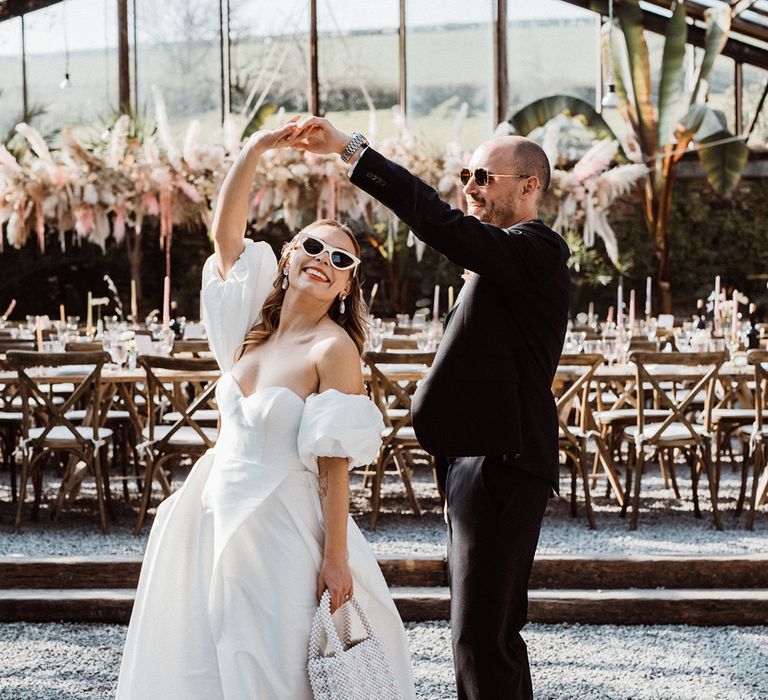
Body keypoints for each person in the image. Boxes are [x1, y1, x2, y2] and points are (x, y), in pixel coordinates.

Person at [116, 121, 416, 699]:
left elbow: (333, 464)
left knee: (269, 660)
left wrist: (335, 559)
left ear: (348, 285)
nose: (322, 259)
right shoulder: (252, 328)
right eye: (310, 246)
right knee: (205, 659)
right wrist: (256, 149)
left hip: (280, 522)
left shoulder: (334, 349)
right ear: (286, 258)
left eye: (340, 259)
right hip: (211, 509)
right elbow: (226, 236)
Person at [289, 119, 570, 700]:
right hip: (478, 461)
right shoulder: (500, 262)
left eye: (484, 177)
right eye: (467, 174)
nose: (470, 186)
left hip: (503, 460)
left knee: (481, 637)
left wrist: (352, 150)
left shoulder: (538, 249)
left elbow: (437, 222)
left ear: (530, 187)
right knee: (484, 633)